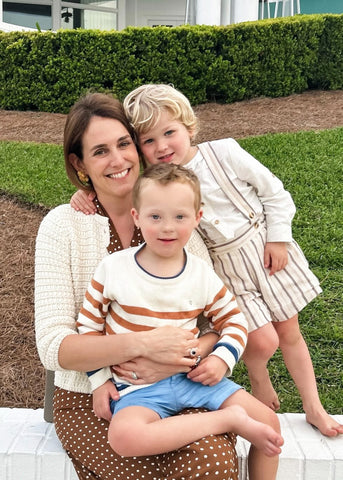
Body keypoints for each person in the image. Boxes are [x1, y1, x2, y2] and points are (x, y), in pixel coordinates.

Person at [71, 83, 343, 438]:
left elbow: (274, 193)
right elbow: (120, 181)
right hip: (226, 268)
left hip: (263, 251)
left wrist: (279, 238)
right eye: (149, 141)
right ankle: (260, 380)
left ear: (189, 127)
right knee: (262, 341)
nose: (162, 147)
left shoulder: (224, 153)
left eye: (169, 133)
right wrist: (85, 190)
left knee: (289, 333)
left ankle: (313, 406)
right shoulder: (155, 179)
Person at [35, 92, 242, 480]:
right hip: (94, 399)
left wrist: (190, 351)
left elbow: (216, 322)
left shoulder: (174, 219)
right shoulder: (62, 226)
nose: (118, 160)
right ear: (79, 164)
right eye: (100, 151)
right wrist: (143, 346)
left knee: (212, 462)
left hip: (180, 388)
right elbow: (52, 345)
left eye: (124, 144)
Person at [76, 163, 283, 479]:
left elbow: (235, 322)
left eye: (180, 217)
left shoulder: (200, 273)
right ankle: (226, 420)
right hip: (137, 387)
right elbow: (88, 327)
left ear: (197, 218)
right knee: (123, 437)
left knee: (269, 422)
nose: (167, 227)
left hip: (193, 379)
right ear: (137, 217)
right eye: (155, 217)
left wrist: (220, 362)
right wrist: (99, 380)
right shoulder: (114, 269)